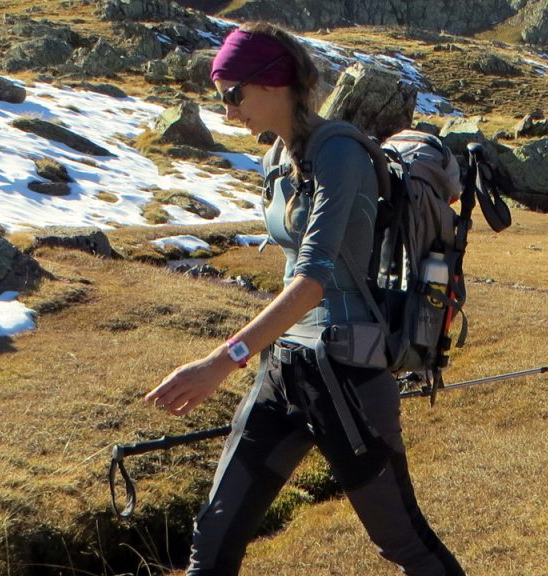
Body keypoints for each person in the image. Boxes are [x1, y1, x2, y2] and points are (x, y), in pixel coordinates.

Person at [144, 22, 466, 576]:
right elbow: (296, 268)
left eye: (231, 94)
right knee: (214, 535)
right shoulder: (277, 159)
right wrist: (261, 354)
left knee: (403, 542)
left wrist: (221, 362)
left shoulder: (338, 152)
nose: (227, 112)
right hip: (286, 367)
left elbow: (313, 278)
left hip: (347, 373)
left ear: (272, 83)